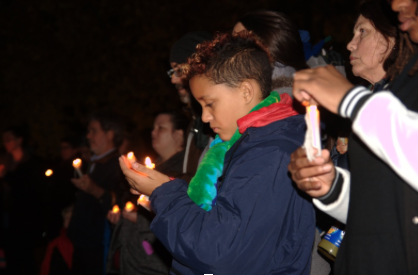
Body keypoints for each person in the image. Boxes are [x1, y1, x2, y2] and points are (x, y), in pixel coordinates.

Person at [120, 31, 315, 275]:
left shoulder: (269, 153)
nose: (204, 117)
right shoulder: (250, 145)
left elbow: (216, 251)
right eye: (200, 106)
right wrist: (164, 187)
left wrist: (165, 194)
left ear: (246, 91)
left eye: (210, 103)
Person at [288, 0, 418, 273]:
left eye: (363, 32)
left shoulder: (377, 105)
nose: (397, 3)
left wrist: (351, 100)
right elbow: (389, 205)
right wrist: (333, 187)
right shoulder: (399, 89)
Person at [233, 10, 331, 275]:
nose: (228, 49)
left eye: (239, 41)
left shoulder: (281, 107)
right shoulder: (255, 98)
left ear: (269, 46)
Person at [106, 111, 188, 275]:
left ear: (178, 135)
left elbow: (183, 218)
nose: (153, 132)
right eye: (153, 128)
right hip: (132, 259)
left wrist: (139, 220)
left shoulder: (183, 173)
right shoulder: (153, 166)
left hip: (152, 265)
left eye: (161, 128)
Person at [67, 113, 128, 275]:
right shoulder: (95, 162)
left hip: (98, 246)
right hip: (83, 243)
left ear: (109, 134)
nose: (88, 136)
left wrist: (94, 190)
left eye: (93, 131)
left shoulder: (119, 165)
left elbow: (121, 202)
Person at [168, 31, 214, 181]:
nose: (174, 80)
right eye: (172, 72)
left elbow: (211, 184)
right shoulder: (195, 121)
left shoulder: (218, 121)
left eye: (179, 70)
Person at [0, 126, 46, 274]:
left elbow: (30, 189)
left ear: (19, 140)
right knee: (10, 254)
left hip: (26, 218)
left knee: (25, 256)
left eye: (9, 139)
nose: (5, 143)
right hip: (6, 215)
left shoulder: (31, 163)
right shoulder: (4, 162)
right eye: (4, 140)